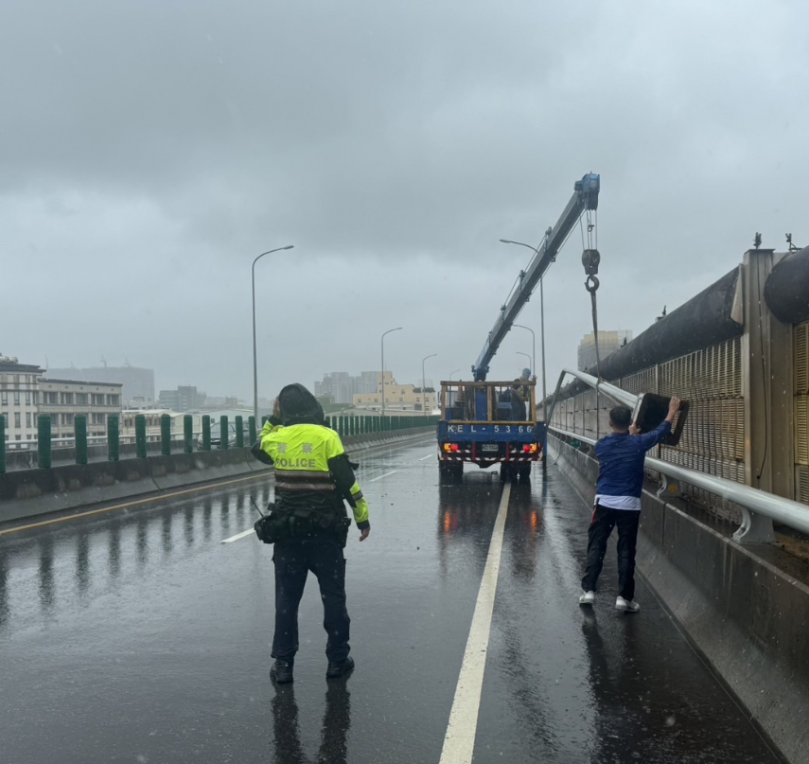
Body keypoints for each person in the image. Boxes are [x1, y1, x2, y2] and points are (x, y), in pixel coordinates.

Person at [252, 383, 370, 684]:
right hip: (325, 536)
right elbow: (347, 483)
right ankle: (337, 660)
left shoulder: (276, 438)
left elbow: (258, 447)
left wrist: (275, 418)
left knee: (287, 602)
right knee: (333, 599)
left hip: (288, 537)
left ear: (284, 409)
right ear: (315, 408)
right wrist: (362, 519)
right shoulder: (327, 437)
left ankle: (283, 665)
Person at [579, 396, 681, 612]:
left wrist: (629, 436)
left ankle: (588, 591)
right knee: (626, 549)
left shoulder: (601, 446)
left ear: (610, 423)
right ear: (630, 423)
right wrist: (671, 411)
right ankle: (624, 598)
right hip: (629, 504)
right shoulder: (639, 443)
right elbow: (661, 431)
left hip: (604, 502)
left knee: (597, 545)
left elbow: (617, 446)